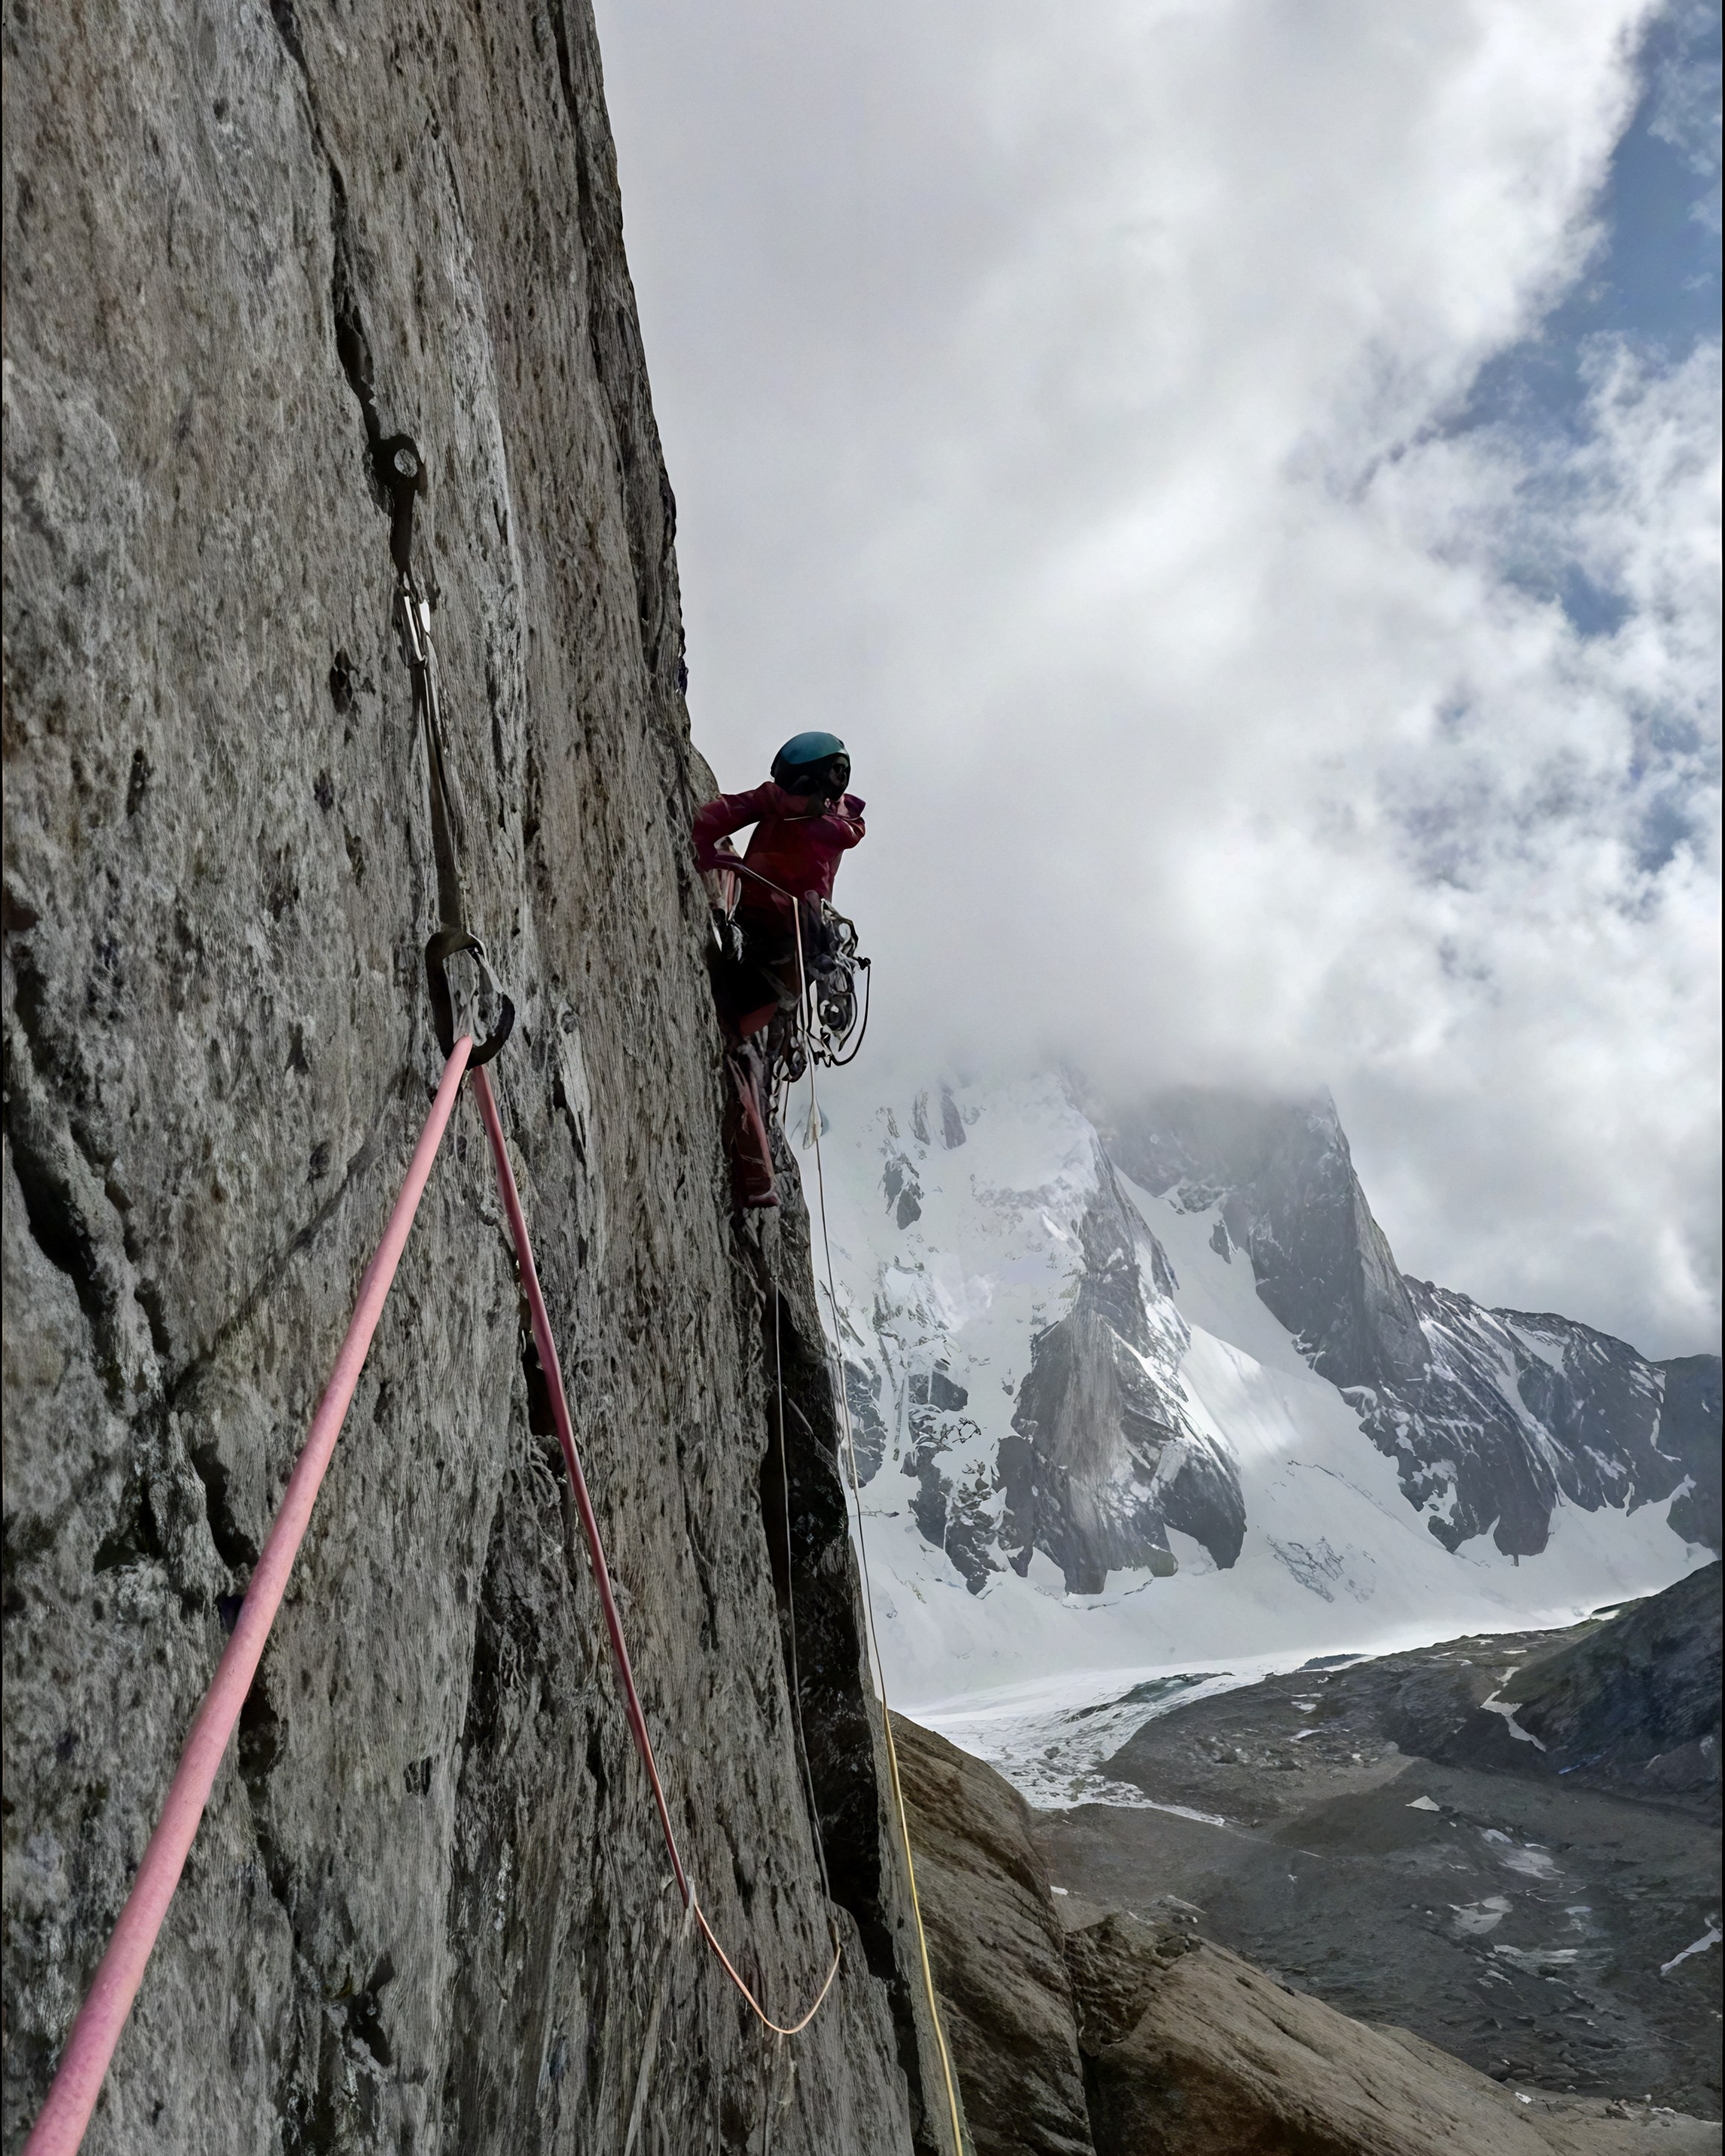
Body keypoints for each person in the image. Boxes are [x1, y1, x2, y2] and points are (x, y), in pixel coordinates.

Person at [692, 733, 865, 1207]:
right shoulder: (841, 823)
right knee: (753, 1050)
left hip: (764, 942)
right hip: (796, 958)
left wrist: (707, 851)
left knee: (737, 1039)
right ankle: (756, 1169)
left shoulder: (779, 805)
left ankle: (754, 1169)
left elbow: (711, 819)